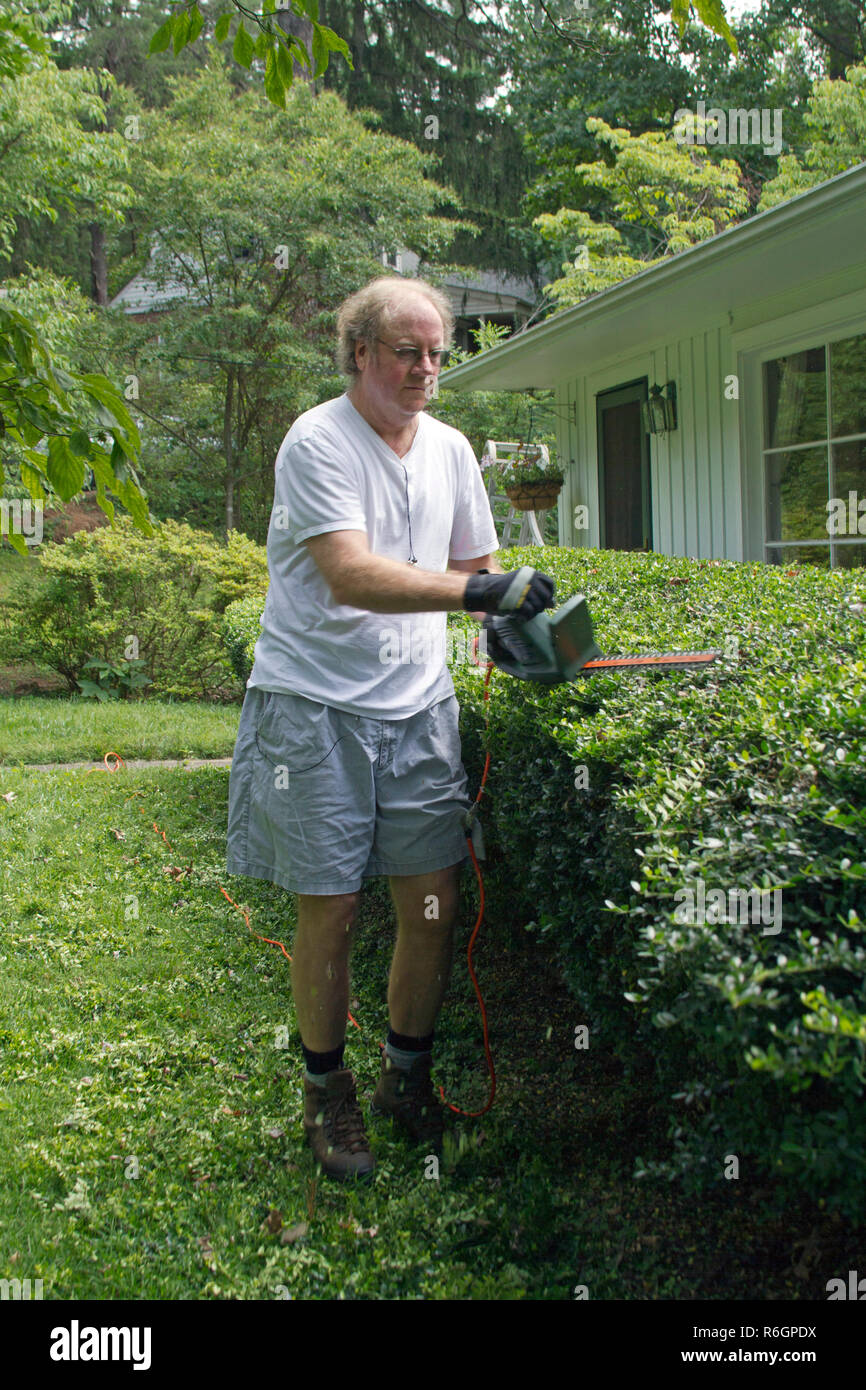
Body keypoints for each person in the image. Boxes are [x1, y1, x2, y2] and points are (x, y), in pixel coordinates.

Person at [226, 275, 555, 1180]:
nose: (426, 369)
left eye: (438, 353)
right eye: (408, 351)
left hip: (419, 711)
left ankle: (404, 1082)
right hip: (315, 709)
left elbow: (474, 564)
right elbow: (352, 576)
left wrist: (513, 627)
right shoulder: (315, 442)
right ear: (360, 353)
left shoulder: (450, 448)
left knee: (432, 908)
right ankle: (326, 1099)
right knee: (328, 907)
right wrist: (482, 591)